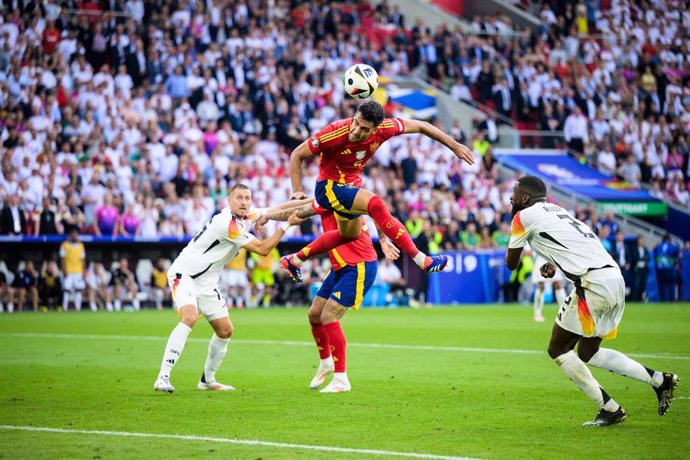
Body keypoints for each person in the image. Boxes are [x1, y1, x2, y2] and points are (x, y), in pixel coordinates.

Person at [506, 175, 679, 426]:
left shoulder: (522, 216)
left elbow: (511, 264)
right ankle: (660, 381)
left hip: (593, 284)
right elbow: (567, 244)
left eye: (514, 192)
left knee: (557, 348)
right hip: (614, 278)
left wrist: (522, 248)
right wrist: (552, 263)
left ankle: (609, 408)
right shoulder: (558, 211)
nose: (511, 197)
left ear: (525, 198)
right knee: (588, 351)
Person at [280, 101, 474, 282]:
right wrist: (297, 190)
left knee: (348, 235)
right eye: (355, 122)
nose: (356, 130)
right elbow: (297, 154)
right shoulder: (334, 132)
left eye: (364, 129)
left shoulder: (385, 129)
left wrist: (454, 146)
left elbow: (422, 126)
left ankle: (295, 259)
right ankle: (421, 259)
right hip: (329, 187)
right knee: (375, 203)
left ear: (375, 129)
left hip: (350, 187)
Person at [153, 185, 305, 393]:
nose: (244, 202)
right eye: (239, 198)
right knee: (189, 317)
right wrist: (287, 225)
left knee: (225, 331)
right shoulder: (227, 224)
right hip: (185, 274)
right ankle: (163, 377)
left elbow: (277, 209)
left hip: (207, 282)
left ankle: (207, 380)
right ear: (229, 200)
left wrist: (313, 202)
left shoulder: (245, 216)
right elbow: (263, 249)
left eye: (247, 198)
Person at [258, 200, 400, 393]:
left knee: (329, 316)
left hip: (359, 266)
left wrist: (382, 238)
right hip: (339, 266)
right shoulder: (327, 195)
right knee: (315, 314)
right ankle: (326, 363)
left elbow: (377, 210)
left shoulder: (340, 196)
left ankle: (341, 379)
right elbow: (298, 205)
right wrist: (267, 212)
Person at [531, 253, 566, 322]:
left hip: (552, 258)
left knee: (558, 284)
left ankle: (564, 312)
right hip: (541, 258)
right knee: (541, 286)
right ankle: (537, 314)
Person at [59, 228, 86, 311]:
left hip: (78, 271)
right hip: (68, 270)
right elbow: (62, 258)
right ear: (70, 236)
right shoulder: (64, 245)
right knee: (67, 289)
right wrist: (64, 269)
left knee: (78, 289)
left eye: (76, 234)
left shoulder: (81, 245)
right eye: (73, 234)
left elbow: (83, 259)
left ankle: (78, 307)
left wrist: (84, 270)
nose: (74, 236)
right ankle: (65, 306)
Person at [654, 234, 680, 302]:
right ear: (670, 239)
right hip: (671, 270)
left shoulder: (658, 246)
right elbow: (677, 258)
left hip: (662, 271)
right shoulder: (674, 247)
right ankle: (672, 301)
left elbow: (656, 258)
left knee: (663, 287)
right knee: (672, 286)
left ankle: (664, 301)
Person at [629, 235, 650, 302]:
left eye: (642, 240)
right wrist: (637, 263)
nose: (641, 242)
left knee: (642, 285)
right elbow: (632, 258)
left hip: (643, 270)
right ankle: (633, 300)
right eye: (640, 240)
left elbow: (647, 258)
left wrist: (644, 262)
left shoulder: (645, 249)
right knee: (636, 285)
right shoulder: (633, 248)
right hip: (636, 270)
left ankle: (639, 300)